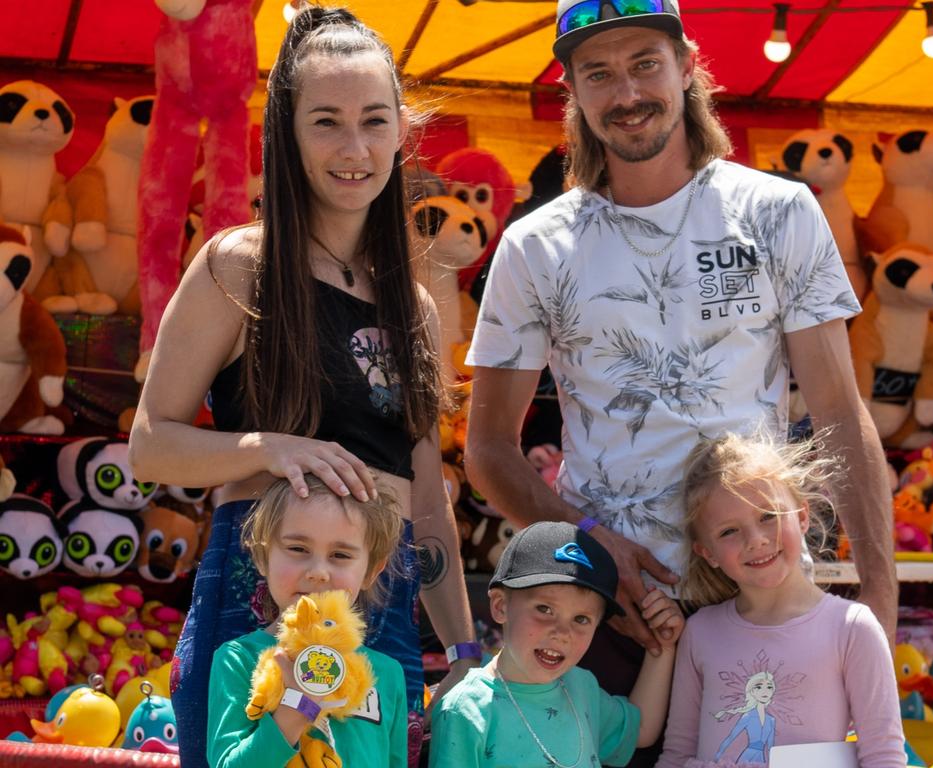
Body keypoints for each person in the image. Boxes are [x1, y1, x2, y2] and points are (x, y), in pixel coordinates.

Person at [463, 2, 897, 762]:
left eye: (644, 65)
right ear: (573, 91)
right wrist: (598, 549)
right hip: (611, 621)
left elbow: (838, 411)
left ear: (688, 65)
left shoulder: (777, 212)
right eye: (598, 74)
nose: (625, 92)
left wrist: (880, 604)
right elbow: (489, 451)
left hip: (761, 607)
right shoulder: (536, 246)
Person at [128, 8, 475, 767]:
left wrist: (466, 645)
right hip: (262, 589)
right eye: (326, 122)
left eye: (373, 122)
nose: (354, 149)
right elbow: (149, 445)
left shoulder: (412, 303)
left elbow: (425, 498)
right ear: (286, 131)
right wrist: (272, 447)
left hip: (383, 607)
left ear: (399, 135)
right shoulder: (238, 266)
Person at [655, 433, 905, 767]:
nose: (756, 540)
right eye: (729, 531)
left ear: (802, 516)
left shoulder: (852, 628)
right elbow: (677, 754)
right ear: (707, 552)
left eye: (768, 516)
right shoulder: (699, 631)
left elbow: (884, 756)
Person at [430, 521, 683, 768]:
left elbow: (639, 731)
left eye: (581, 619)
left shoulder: (581, 686)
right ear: (500, 606)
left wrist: (662, 647)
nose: (563, 633)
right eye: (545, 609)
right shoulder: (465, 709)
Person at [207, 475, 407, 768]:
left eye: (340, 555)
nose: (318, 572)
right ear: (262, 556)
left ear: (371, 571)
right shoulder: (237, 659)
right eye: (298, 549)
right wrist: (294, 711)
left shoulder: (386, 674)